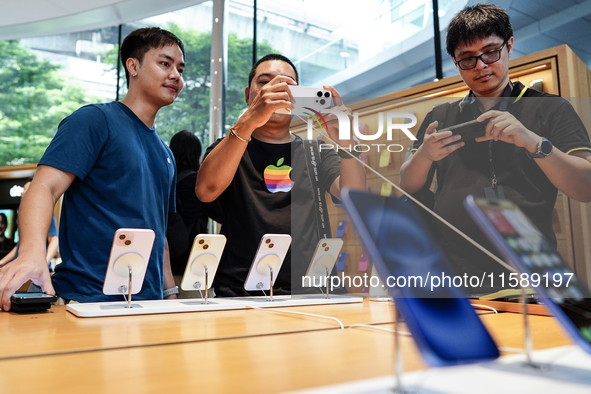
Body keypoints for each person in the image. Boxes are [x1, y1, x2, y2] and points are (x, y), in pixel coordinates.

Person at [399, 4, 591, 280]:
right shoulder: (440, 116)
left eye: (490, 52)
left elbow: (586, 188)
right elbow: (407, 186)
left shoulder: (551, 108)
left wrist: (535, 143)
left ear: (509, 45)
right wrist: (425, 155)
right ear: (455, 62)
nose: (480, 66)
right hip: (455, 273)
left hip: (530, 271)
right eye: (467, 59)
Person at [0, 27, 185, 310]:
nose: (176, 75)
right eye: (165, 63)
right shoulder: (95, 121)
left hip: (148, 305)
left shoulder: (166, 154)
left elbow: (158, 234)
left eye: (180, 69)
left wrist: (169, 293)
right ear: (133, 66)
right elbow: (44, 187)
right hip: (88, 301)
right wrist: (30, 255)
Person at [196, 54, 366, 297]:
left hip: (313, 291)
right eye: (264, 82)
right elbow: (205, 191)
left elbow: (355, 196)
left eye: (288, 86)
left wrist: (348, 144)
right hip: (240, 293)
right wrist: (248, 121)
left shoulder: (316, 151)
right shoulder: (228, 149)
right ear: (248, 95)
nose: (276, 90)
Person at [166, 130, 209, 280]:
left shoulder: (165, 179)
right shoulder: (198, 183)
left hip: (166, 257)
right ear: (196, 153)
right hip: (192, 256)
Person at [0, 179, 59, 270]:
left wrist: (44, 263)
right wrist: (2, 262)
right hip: (21, 268)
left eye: (26, 189)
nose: (22, 192)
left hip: (35, 270)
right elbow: (19, 246)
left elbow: (54, 241)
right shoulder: (25, 214)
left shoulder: (44, 211)